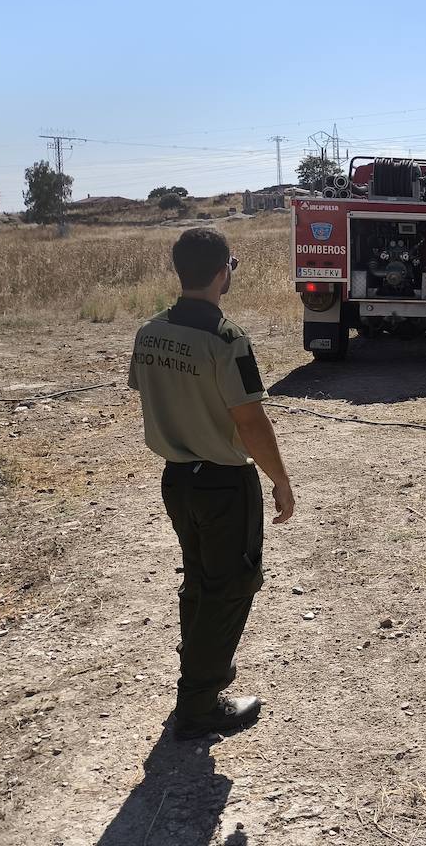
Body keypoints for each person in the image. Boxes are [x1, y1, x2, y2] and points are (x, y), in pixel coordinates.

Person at [128, 227, 297, 740]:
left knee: (200, 579)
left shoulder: (149, 332)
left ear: (179, 270)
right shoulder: (227, 339)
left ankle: (198, 671)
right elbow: (250, 421)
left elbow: (148, 390)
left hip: (177, 479)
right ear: (224, 272)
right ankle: (200, 703)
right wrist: (281, 480)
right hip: (223, 483)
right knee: (232, 588)